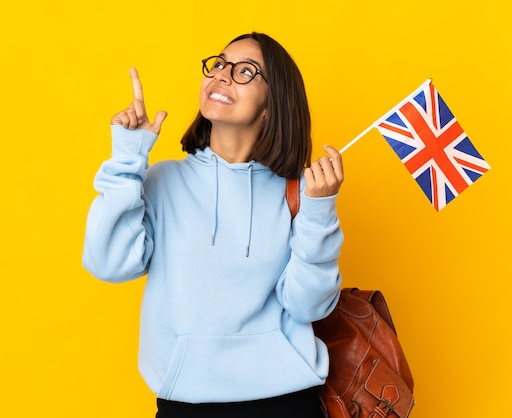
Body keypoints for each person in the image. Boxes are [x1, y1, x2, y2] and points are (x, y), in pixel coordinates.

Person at [82, 32, 344, 418]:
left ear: (272, 104)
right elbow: (108, 264)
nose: (222, 75)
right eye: (219, 64)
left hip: (287, 402)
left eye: (245, 72)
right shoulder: (163, 181)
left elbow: (308, 306)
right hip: (186, 402)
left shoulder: (299, 192)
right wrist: (126, 159)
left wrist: (320, 212)